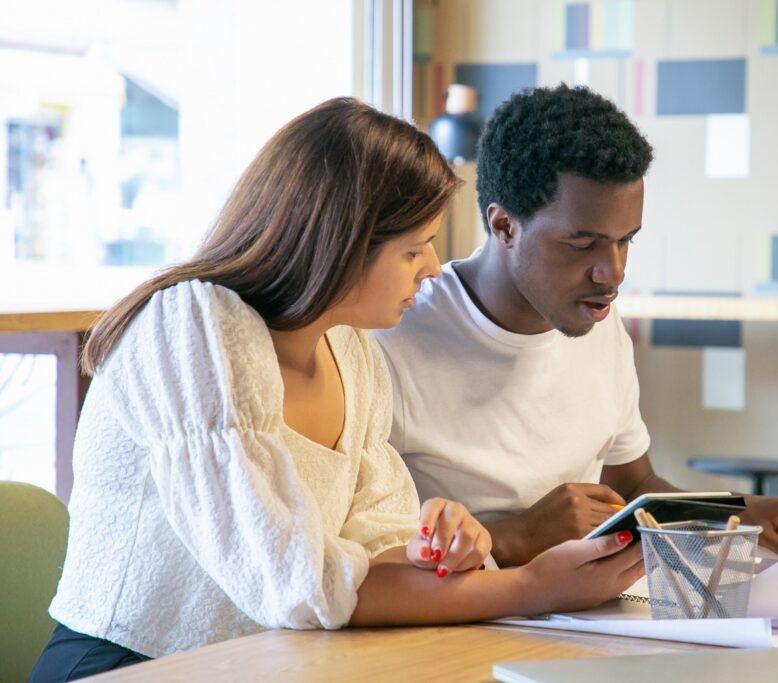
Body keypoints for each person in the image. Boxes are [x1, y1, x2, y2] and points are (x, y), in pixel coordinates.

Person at [30, 98, 643, 682]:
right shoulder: (193, 325)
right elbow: (295, 583)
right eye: (414, 248)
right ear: (341, 245)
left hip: (269, 664)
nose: (432, 268)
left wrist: (446, 546)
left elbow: (381, 550)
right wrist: (534, 586)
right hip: (125, 667)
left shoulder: (351, 353)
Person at [375, 84, 778, 568]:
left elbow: (634, 487)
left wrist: (741, 512)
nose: (614, 273)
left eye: (625, 241)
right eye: (582, 243)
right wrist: (519, 536)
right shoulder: (391, 336)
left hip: (576, 619)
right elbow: (358, 548)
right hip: (450, 630)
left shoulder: (597, 322)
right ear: (504, 226)